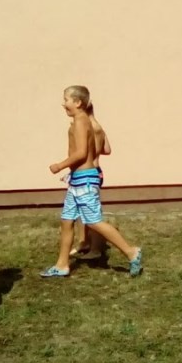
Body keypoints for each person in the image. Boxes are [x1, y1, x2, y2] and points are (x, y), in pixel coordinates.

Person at [41, 86, 142, 278]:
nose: (63, 104)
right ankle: (62, 265)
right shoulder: (81, 121)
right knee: (66, 220)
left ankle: (131, 252)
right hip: (77, 180)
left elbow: (81, 153)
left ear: (78, 102)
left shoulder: (81, 121)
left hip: (85, 180)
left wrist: (60, 165)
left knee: (94, 222)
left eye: (66, 99)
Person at [70, 102, 111, 259]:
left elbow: (83, 152)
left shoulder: (87, 127)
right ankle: (84, 242)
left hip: (88, 173)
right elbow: (107, 150)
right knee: (83, 210)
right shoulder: (98, 127)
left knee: (93, 214)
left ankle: (95, 249)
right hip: (96, 171)